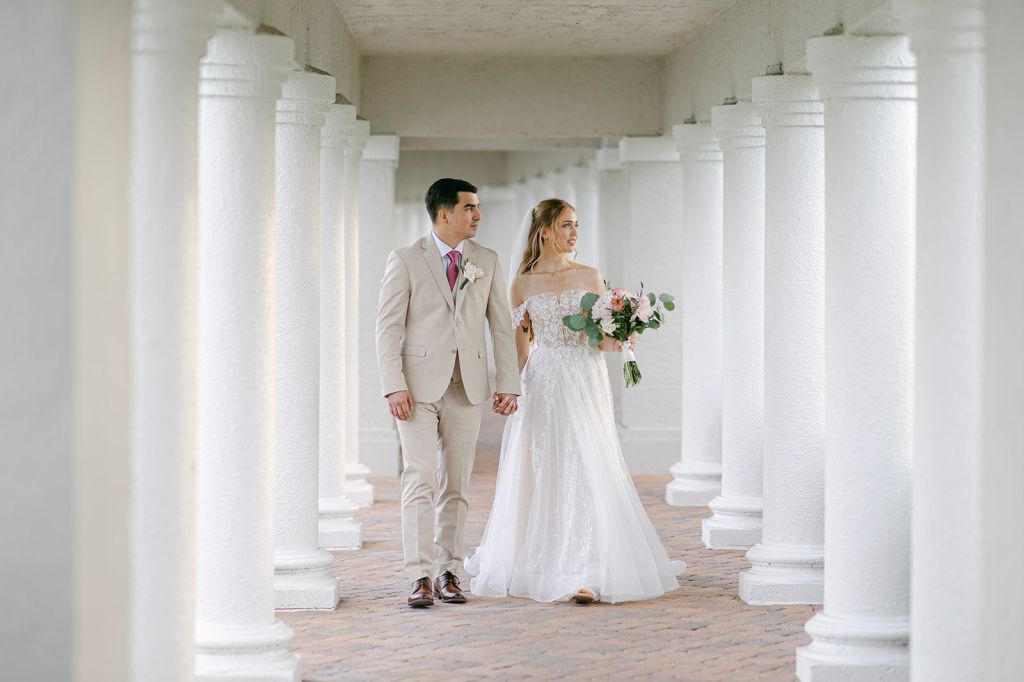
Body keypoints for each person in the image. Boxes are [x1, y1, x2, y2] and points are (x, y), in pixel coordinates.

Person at [464, 198, 685, 604]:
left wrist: (624, 339)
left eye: (577, 226)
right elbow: (521, 348)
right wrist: (509, 389)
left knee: (587, 461)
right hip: (543, 380)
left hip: (585, 377)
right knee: (545, 463)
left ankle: (589, 568)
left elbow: (600, 340)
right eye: (566, 225)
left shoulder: (591, 276)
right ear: (544, 230)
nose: (573, 234)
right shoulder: (522, 284)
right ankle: (546, 562)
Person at [375, 178, 522, 608]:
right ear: (445, 213)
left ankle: (448, 570)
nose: (478, 215)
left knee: (456, 483)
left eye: (478, 208)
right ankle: (418, 574)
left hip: (467, 387)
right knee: (419, 478)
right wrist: (393, 385)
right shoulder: (404, 259)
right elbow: (387, 328)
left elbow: (500, 325)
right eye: (470, 208)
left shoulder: (487, 261)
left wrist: (508, 383)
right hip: (415, 389)